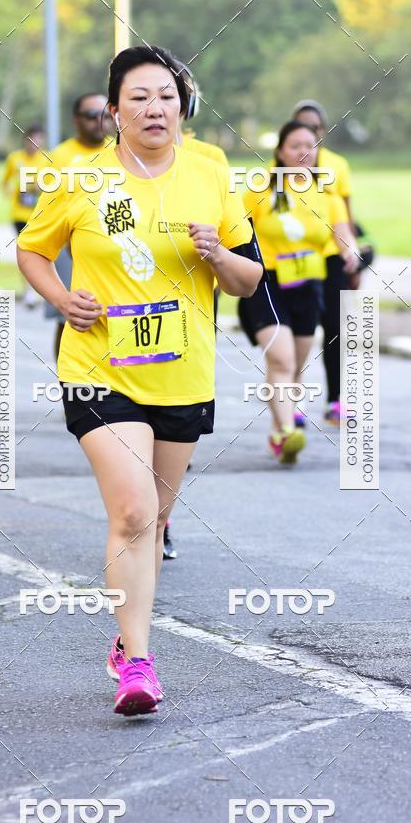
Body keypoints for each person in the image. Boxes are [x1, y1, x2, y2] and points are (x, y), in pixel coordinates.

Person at [17, 44, 262, 717]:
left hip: (183, 371)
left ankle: (126, 644)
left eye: (165, 95)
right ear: (115, 112)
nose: (155, 108)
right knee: (131, 511)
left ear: (182, 103)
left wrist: (218, 253)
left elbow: (248, 278)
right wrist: (63, 298)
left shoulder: (210, 169)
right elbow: (33, 249)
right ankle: (141, 664)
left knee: (156, 518)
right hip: (98, 367)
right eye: (138, 98)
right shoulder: (80, 177)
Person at [240, 120, 359, 464]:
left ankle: (284, 418)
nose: (304, 152)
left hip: (309, 284)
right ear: (279, 151)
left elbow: (342, 232)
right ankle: (284, 431)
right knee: (281, 358)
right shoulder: (260, 187)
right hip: (267, 282)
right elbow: (236, 229)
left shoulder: (326, 191)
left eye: (311, 145)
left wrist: (350, 249)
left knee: (297, 362)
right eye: (295, 145)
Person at [163, 61, 229, 561]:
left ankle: (159, 516)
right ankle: (143, 515)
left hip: (192, 314)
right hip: (119, 316)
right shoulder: (106, 166)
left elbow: (232, 239)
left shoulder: (211, 160)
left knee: (173, 439)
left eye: (172, 96)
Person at [291, 100, 360, 426]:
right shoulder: (283, 165)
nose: (310, 135)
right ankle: (294, 399)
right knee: (299, 333)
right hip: (295, 261)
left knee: (334, 327)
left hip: (330, 258)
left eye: (315, 129)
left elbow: (345, 212)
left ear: (323, 131)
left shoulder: (336, 165)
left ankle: (335, 399)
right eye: (303, 127)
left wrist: (352, 254)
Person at [46, 94, 114, 361]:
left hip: (111, 245)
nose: (99, 121)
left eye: (105, 115)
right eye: (91, 115)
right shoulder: (60, 157)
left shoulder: (119, 151)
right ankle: (68, 385)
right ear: (76, 120)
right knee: (68, 319)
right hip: (67, 247)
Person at [1, 125, 48, 307]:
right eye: (31, 139)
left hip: (40, 214)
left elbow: (54, 183)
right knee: (26, 251)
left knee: (42, 252)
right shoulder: (15, 158)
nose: (34, 143)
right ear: (25, 140)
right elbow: (5, 181)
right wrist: (12, 191)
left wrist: (38, 188)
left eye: (38, 139)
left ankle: (42, 289)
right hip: (20, 214)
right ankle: (28, 291)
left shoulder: (47, 159)